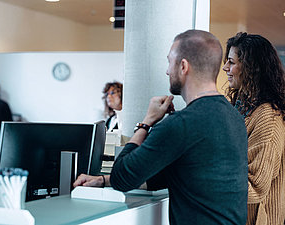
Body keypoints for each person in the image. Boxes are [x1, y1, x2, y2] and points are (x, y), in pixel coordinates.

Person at [74, 30, 248, 224]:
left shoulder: (181, 124)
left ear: (183, 66)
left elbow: (122, 176)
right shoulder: (233, 117)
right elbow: (165, 177)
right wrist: (102, 180)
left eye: (169, 62)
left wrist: (146, 122)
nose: (167, 71)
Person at [222, 32, 285, 225]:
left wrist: (201, 174)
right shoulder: (243, 108)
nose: (225, 68)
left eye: (231, 62)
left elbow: (255, 186)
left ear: (252, 68)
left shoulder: (267, 117)